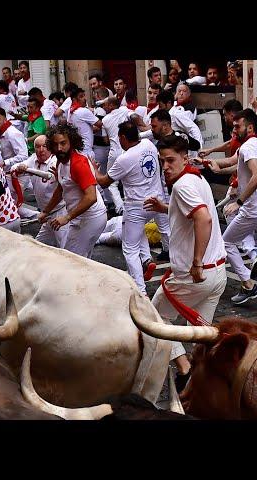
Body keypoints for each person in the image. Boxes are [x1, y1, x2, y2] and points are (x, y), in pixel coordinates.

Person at [143, 134, 227, 391]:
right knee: (199, 334)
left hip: (195, 277)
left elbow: (203, 218)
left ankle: (184, 368)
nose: (165, 167)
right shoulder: (194, 177)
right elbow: (190, 214)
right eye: (162, 161)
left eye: (171, 161)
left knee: (155, 317)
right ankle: (201, 382)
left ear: (185, 158)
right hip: (218, 275)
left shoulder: (182, 185)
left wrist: (197, 262)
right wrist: (163, 208)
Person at [94, 121, 170, 295]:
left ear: (122, 138)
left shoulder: (125, 158)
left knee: (129, 248)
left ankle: (141, 291)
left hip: (136, 206)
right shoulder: (149, 144)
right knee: (138, 232)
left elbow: (104, 182)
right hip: (156, 201)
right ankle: (146, 259)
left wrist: (94, 168)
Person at [41, 123, 107, 258]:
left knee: (70, 260)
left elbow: (91, 197)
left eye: (63, 143)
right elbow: (61, 189)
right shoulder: (60, 161)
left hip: (91, 218)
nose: (59, 148)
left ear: (71, 142)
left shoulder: (78, 163)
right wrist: (46, 211)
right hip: (81, 218)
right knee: (80, 261)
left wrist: (67, 217)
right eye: (55, 144)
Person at [220, 109, 257, 305]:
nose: (234, 130)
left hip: (251, 208)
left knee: (226, 243)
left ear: (249, 127)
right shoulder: (249, 146)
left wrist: (239, 202)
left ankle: (248, 285)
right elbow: (235, 163)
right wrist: (210, 162)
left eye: (237, 126)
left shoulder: (250, 146)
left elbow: (256, 175)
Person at [12, 135, 68, 247]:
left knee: (66, 248)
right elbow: (14, 167)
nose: (41, 150)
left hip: (60, 212)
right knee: (37, 246)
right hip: (46, 214)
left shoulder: (56, 162)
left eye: (45, 146)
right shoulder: (33, 159)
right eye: (37, 147)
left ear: (50, 147)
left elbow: (63, 187)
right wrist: (21, 166)